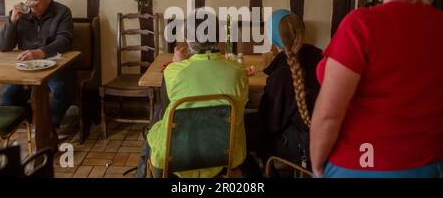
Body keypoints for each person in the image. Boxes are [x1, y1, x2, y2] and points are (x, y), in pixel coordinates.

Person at [310, 0, 443, 178]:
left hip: (362, 164)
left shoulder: (362, 26)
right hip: (430, 163)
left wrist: (317, 163)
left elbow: (329, 114)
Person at [138, 10, 249, 177]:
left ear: (189, 40)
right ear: (219, 39)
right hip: (225, 156)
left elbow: (167, 105)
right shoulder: (239, 72)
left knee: (157, 120)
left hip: (177, 157)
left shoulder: (174, 72)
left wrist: (176, 64)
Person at [245, 9, 322, 173]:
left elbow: (269, 122)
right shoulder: (318, 56)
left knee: (237, 135)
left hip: (303, 148)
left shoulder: (281, 74)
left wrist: (271, 71)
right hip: (322, 140)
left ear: (273, 39)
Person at [0, 0, 76, 128]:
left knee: (62, 91)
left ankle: (46, 130)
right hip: (26, 69)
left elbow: (65, 41)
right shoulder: (20, 13)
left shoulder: (62, 12)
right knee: (7, 101)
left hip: (55, 67)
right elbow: (3, 46)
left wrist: (40, 52)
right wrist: (12, 22)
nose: (31, 1)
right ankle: (27, 124)